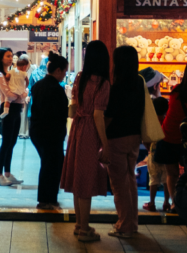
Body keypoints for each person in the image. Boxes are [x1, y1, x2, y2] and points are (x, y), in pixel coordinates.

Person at [60, 40, 112, 243]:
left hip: (77, 128)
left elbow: (73, 108)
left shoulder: (80, 78)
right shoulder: (103, 83)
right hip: (90, 131)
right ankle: (84, 229)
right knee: (86, 180)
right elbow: (98, 115)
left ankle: (79, 224)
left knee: (78, 178)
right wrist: (105, 144)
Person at [104, 45, 145, 238]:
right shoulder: (139, 83)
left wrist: (100, 135)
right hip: (135, 137)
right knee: (130, 181)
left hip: (117, 138)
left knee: (119, 184)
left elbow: (109, 116)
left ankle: (124, 226)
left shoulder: (117, 87)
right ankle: (132, 224)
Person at [29, 52, 69, 210]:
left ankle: (46, 198)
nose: (65, 75)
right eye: (64, 71)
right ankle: (48, 199)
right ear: (58, 70)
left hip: (37, 130)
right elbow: (59, 114)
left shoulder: (38, 85)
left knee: (47, 164)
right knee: (52, 165)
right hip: (51, 133)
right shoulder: (56, 89)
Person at [154, 63, 186, 214]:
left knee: (171, 174)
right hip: (182, 139)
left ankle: (175, 204)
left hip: (168, 136)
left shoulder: (176, 91)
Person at [0, 48, 26, 187]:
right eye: (7, 56)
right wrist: (21, 95)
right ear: (1, 58)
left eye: (11, 56)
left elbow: (23, 88)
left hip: (16, 109)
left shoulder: (12, 72)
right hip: (7, 109)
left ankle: (7, 173)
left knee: (12, 142)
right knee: (6, 142)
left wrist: (21, 94)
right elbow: (9, 94)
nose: (11, 58)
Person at [143, 96, 172, 212]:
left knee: (153, 179)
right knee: (166, 179)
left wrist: (149, 149)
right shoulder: (168, 122)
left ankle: (152, 203)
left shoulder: (151, 123)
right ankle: (167, 203)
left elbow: (145, 140)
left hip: (153, 154)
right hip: (166, 154)